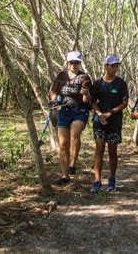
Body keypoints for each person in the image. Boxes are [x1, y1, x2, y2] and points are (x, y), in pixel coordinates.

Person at [49, 51, 92, 185]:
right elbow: (53, 92)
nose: (74, 65)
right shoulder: (61, 77)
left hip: (80, 111)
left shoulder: (84, 78)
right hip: (64, 111)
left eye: (76, 62)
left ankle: (73, 162)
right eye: (71, 62)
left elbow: (88, 99)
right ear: (67, 63)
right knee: (63, 144)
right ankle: (64, 175)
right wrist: (54, 100)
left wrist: (86, 94)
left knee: (74, 134)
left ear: (80, 63)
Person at [90, 55, 129, 193]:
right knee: (99, 147)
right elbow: (93, 101)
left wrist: (110, 113)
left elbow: (125, 103)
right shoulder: (97, 83)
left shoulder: (121, 83)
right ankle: (97, 181)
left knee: (112, 151)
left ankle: (112, 179)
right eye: (112, 65)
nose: (115, 68)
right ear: (105, 66)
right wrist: (100, 114)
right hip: (99, 121)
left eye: (116, 65)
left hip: (114, 121)